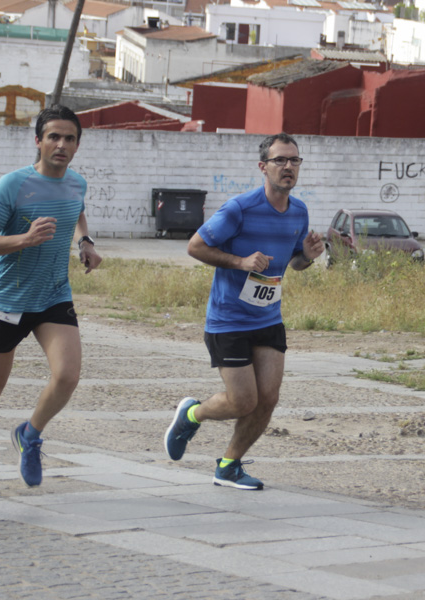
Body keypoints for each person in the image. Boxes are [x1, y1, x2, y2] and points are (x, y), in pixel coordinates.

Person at [163, 132, 324, 490]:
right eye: (280, 160)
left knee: (267, 399)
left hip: (269, 317)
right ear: (262, 166)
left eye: (294, 160)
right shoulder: (239, 208)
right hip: (228, 320)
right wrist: (240, 261)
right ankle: (192, 414)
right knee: (242, 400)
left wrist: (308, 258)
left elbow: (294, 263)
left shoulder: (299, 210)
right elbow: (196, 246)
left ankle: (229, 465)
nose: (288, 167)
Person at [0, 105, 101, 495]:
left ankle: (30, 433)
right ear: (38, 141)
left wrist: (83, 241)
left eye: (69, 138)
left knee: (68, 376)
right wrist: (24, 239)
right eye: (53, 136)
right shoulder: (14, 185)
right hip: (8, 298)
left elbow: (77, 211)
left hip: (53, 294)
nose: (61, 144)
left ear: (77, 145)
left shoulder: (76, 183)